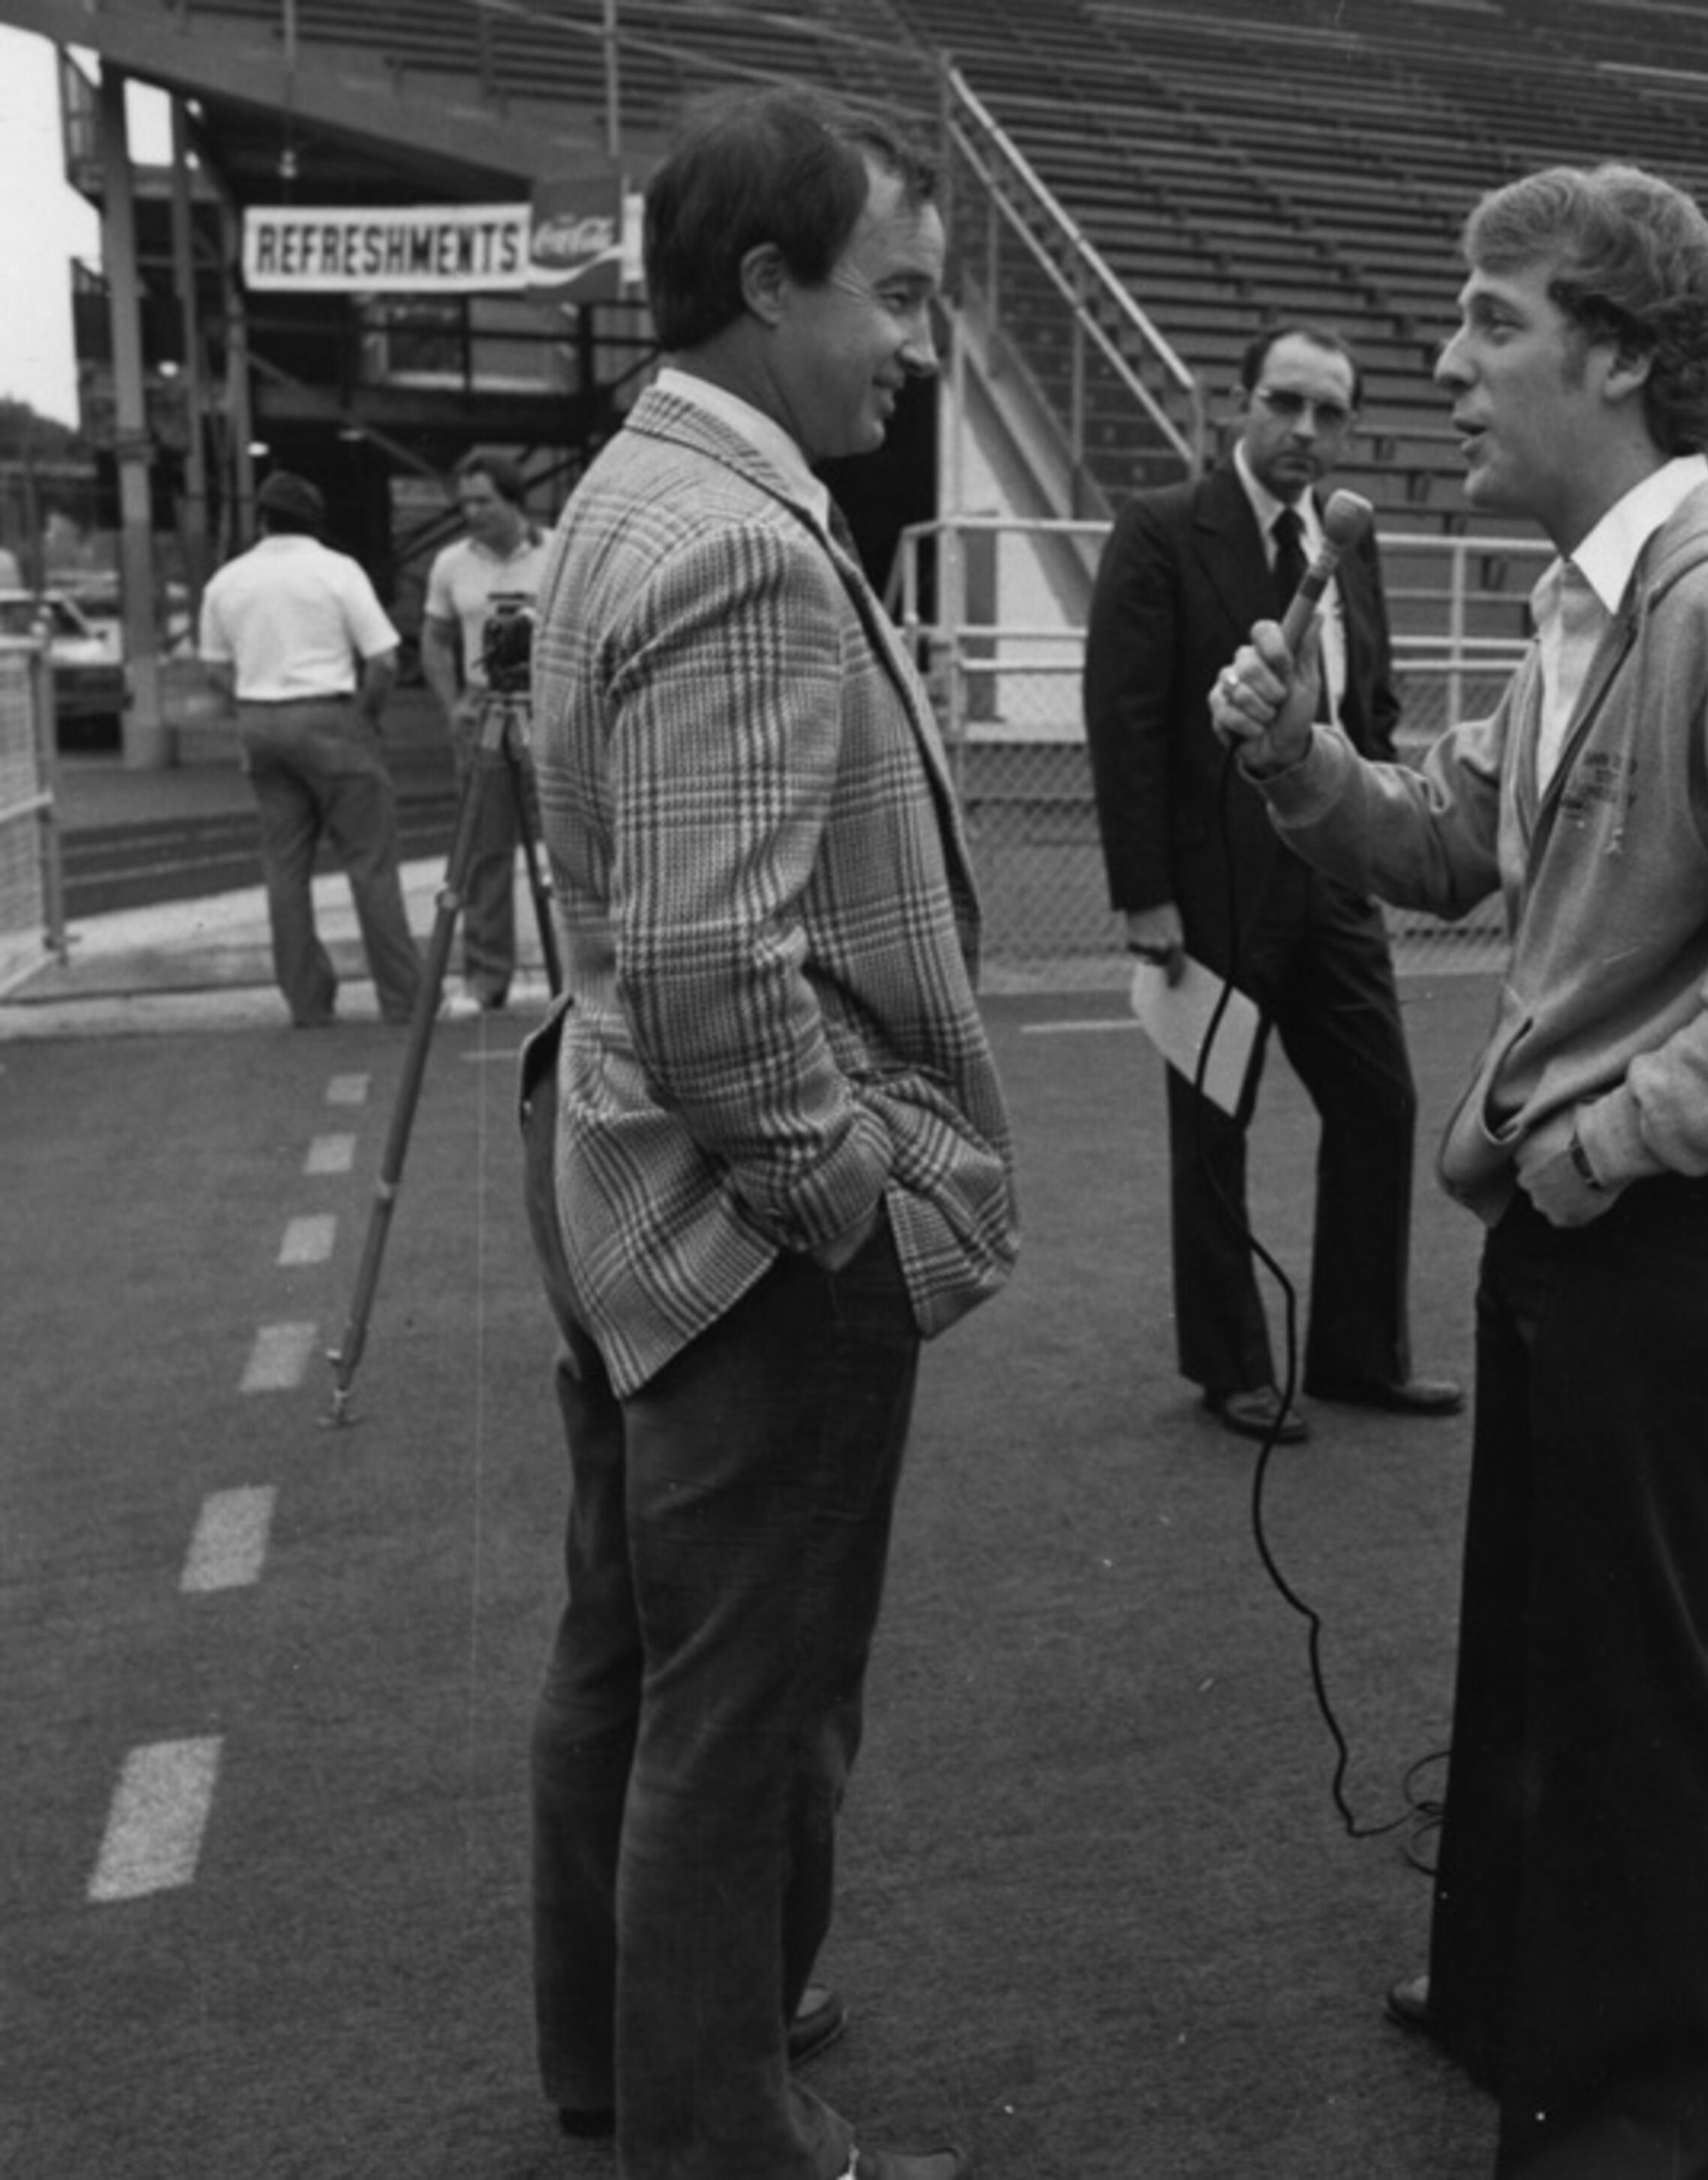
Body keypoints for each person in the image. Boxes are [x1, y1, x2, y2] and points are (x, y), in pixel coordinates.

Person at [1216, 164, 1708, 2179]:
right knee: (1542, 1646)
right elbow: (1450, 843)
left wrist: (1609, 1143)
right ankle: (1524, 1993)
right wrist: (1296, 765)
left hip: (1648, 1218)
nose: (1443, 363)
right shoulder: (1594, 602)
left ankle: (1631, 2106)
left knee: (1629, 1683)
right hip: (1573, 1216)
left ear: (1616, 356)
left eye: (1491, 320)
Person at [517, 86, 1017, 2180]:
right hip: (743, 1230)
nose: (915, 344)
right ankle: (721, 2132)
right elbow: (724, 977)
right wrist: (854, 1206)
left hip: (626, 1183)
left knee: (635, 1661)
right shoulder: (739, 538)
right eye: (891, 296)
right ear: (763, 287)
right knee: (749, 1706)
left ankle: (626, 2053)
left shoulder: (639, 486)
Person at [1083, 322, 1459, 1444]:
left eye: (1330, 412)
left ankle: (1356, 1354)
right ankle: (1232, 1364)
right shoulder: (1160, 532)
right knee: (1212, 1132)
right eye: (1285, 403)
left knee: (1381, 1104)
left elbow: (1370, 700)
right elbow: (1128, 716)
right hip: (1208, 894)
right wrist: (1144, 893)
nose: (1306, 430)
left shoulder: (1349, 543)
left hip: (1330, 882)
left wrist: (1374, 816)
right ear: (1236, 406)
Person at [196, 471, 420, 1028]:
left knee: (285, 867)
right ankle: (403, 998)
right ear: (316, 521)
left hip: (260, 722)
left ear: (263, 518)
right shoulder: (337, 571)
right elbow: (385, 660)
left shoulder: (227, 580)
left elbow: (213, 665)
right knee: (370, 863)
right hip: (331, 716)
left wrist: (251, 704)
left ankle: (308, 1002)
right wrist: (365, 716)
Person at [419, 449, 551, 1010]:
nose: (472, 512)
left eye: (484, 501)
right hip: (485, 712)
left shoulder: (563, 550)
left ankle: (587, 975)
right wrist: (452, 705)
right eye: (465, 502)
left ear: (514, 500)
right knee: (486, 852)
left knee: (578, 847)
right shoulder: (451, 564)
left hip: (550, 711)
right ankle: (486, 978)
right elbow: (434, 639)